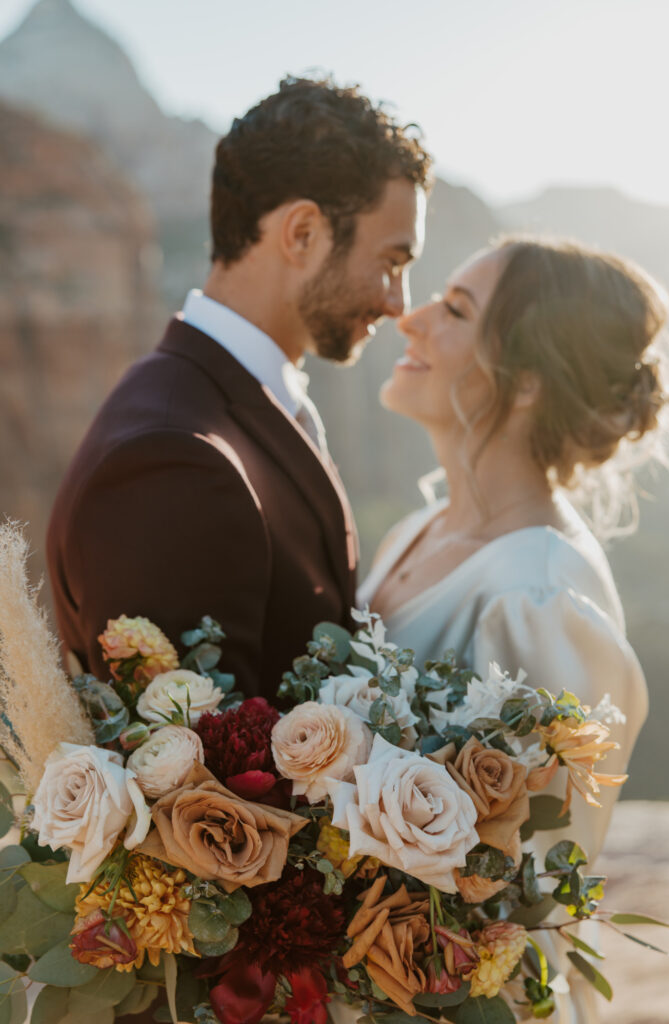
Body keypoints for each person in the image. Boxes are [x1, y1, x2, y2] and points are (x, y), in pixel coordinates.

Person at [359, 236, 669, 1022]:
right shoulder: (421, 527)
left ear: (525, 381)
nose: (411, 318)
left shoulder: (536, 595)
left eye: (456, 310)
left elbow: (525, 889)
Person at [47, 76, 431, 699]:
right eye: (390, 262)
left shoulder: (221, 402)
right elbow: (196, 786)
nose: (398, 303)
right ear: (302, 233)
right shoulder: (172, 461)